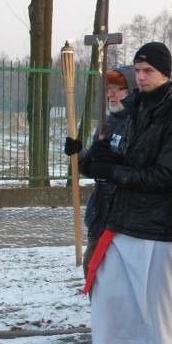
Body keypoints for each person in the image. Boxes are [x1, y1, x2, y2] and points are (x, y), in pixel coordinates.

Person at [83, 42, 172, 344]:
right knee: (121, 297)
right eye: (139, 70)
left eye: (149, 71)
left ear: (165, 73)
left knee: (152, 301)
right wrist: (97, 157)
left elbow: (166, 176)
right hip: (121, 218)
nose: (142, 77)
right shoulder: (130, 110)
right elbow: (111, 157)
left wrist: (115, 171)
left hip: (156, 225)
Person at [64, 65, 139, 280]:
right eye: (108, 89)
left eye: (117, 88)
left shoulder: (138, 125)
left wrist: (113, 165)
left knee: (117, 281)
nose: (110, 94)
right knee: (93, 273)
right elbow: (95, 170)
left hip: (125, 218)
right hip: (101, 213)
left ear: (132, 91)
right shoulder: (107, 125)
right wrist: (81, 154)